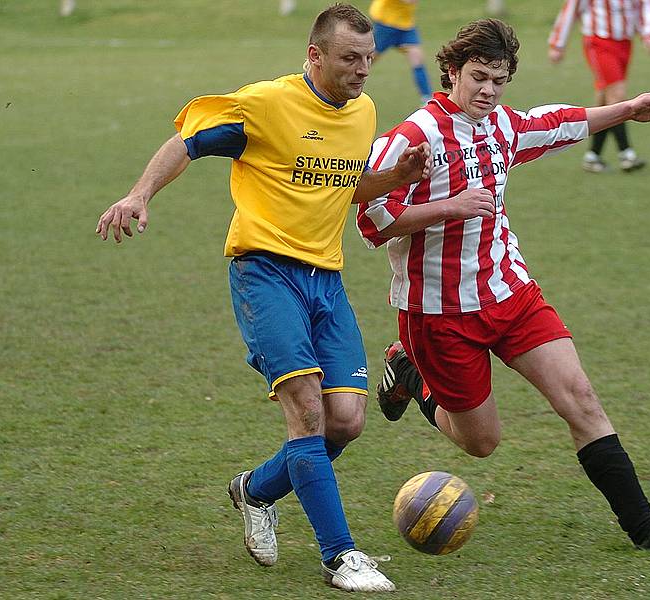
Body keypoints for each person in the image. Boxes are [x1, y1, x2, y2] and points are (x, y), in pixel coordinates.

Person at [96, 3, 431, 592]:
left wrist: (396, 179)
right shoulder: (267, 104)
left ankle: (254, 490)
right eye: (350, 59)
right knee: (306, 409)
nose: (362, 71)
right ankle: (341, 556)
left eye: (369, 59)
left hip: (326, 281)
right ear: (315, 56)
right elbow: (188, 141)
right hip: (264, 273)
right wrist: (138, 194)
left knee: (346, 422)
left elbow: (345, 183)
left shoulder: (365, 111)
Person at [357, 18, 650, 556]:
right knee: (482, 442)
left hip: (511, 294)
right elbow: (372, 221)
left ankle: (646, 528)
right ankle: (409, 372)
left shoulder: (502, 126)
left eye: (499, 80)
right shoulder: (412, 137)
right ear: (451, 72)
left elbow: (563, 121)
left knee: (581, 398)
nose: (488, 91)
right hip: (438, 313)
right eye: (478, 77)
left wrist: (630, 108)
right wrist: (448, 206)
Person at [548, 0, 650, 173]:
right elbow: (571, 9)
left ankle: (593, 156)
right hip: (598, 41)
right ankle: (627, 154)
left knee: (605, 99)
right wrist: (557, 44)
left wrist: (649, 33)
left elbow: (645, 5)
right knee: (617, 94)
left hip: (625, 43)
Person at [368, 0, 433, 105]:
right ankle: (341, 84)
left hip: (406, 26)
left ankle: (427, 99)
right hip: (386, 24)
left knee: (417, 59)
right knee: (367, 60)